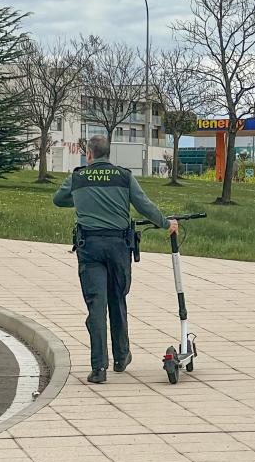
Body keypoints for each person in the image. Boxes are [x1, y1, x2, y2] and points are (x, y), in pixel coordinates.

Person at [53, 136, 178, 384]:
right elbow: (144, 205)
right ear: (108, 154)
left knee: (96, 306)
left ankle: (98, 368)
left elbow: (58, 199)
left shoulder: (78, 178)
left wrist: (81, 198)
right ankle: (121, 357)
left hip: (89, 248)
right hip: (119, 247)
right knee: (117, 300)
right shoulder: (123, 176)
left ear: (89, 154)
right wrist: (166, 223)